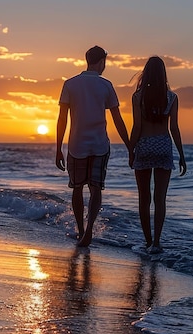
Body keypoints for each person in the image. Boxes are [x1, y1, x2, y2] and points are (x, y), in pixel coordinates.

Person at [56, 45, 130, 247]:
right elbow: (117, 119)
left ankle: (81, 230)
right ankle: (89, 230)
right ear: (102, 61)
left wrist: (57, 148)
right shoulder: (106, 85)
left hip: (76, 145)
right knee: (96, 188)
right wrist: (130, 145)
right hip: (99, 145)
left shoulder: (70, 84)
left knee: (77, 188)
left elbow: (62, 119)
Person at [129, 55, 186, 253]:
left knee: (143, 198)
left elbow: (136, 127)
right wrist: (182, 155)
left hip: (144, 146)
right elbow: (175, 129)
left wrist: (131, 150)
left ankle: (146, 241)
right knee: (160, 199)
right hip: (163, 146)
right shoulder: (172, 97)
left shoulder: (138, 97)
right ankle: (157, 243)